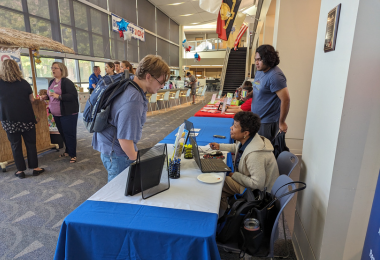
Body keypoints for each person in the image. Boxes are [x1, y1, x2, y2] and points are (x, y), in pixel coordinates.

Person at [92, 55, 170, 182]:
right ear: (148, 77)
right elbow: (124, 139)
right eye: (161, 82)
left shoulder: (129, 84)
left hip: (108, 146)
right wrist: (137, 159)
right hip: (117, 153)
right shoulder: (134, 98)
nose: (162, 86)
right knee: (119, 192)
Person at [209, 112, 279, 211]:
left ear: (245, 133)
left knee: (219, 181)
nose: (231, 128)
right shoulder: (250, 139)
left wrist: (234, 175)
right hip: (251, 184)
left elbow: (257, 184)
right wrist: (219, 146)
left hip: (257, 192)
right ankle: (224, 214)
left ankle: (223, 214)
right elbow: (237, 147)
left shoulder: (255, 155)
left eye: (235, 126)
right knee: (221, 187)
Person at [0, 59, 45, 179]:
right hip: (26, 119)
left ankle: (20, 171)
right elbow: (31, 100)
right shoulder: (24, 83)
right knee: (30, 144)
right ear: (17, 68)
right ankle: (35, 168)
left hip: (9, 120)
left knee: (15, 145)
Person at [248, 44, 290, 141]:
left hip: (267, 122)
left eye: (259, 59)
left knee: (263, 151)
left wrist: (282, 121)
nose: (256, 63)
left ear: (268, 59)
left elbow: (286, 100)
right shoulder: (259, 71)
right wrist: (249, 95)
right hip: (256, 119)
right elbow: (258, 89)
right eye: (255, 59)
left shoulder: (275, 76)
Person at [40, 62, 79, 163]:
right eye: (52, 68)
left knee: (69, 133)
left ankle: (73, 154)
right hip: (56, 114)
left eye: (55, 68)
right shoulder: (52, 81)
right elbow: (51, 94)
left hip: (68, 113)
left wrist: (59, 96)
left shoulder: (66, 82)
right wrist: (46, 96)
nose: (53, 70)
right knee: (62, 133)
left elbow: (72, 96)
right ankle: (67, 151)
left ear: (61, 70)